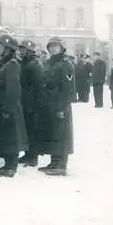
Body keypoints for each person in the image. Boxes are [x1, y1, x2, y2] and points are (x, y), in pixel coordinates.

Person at [0, 35, 28, 178]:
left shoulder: (12, 64)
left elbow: (13, 89)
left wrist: (8, 108)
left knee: (11, 136)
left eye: (0, 45)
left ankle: (11, 167)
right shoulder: (2, 63)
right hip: (1, 104)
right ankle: (8, 165)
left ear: (7, 48)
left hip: (8, 105)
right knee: (6, 135)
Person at [38, 36, 74, 176]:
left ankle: (61, 165)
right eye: (51, 46)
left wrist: (62, 108)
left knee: (62, 134)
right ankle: (54, 162)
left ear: (62, 48)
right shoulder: (48, 64)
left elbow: (69, 89)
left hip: (60, 105)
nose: (53, 48)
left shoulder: (66, 65)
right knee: (53, 132)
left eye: (56, 46)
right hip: (49, 104)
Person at [18, 39, 45, 167]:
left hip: (32, 104)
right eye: (21, 49)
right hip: (25, 102)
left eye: (23, 49)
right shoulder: (26, 63)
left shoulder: (34, 65)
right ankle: (27, 154)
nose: (21, 51)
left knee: (32, 130)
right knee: (27, 129)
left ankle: (33, 157)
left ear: (30, 51)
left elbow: (39, 86)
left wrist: (37, 104)